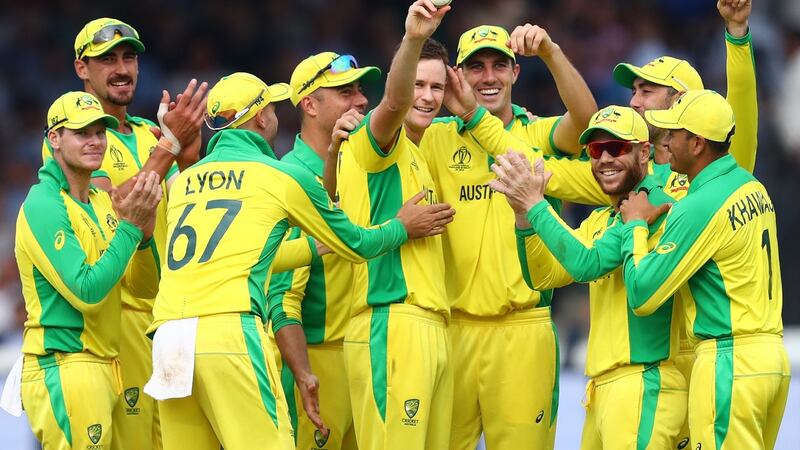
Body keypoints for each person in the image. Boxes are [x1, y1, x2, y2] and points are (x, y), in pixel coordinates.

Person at [145, 71, 454, 450]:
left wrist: (311, 248)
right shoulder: (281, 175)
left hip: (169, 336)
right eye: (272, 107)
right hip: (230, 329)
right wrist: (401, 227)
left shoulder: (182, 182)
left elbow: (238, 257)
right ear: (261, 118)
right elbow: (357, 244)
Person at [423, 22, 599, 449]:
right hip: (453, 327)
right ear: (457, 76)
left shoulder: (539, 134)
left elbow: (588, 120)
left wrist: (552, 52)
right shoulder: (434, 137)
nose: (488, 77)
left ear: (516, 73)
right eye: (476, 66)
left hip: (524, 329)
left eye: (499, 65)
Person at [45, 17, 209, 450]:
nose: (121, 69)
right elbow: (116, 210)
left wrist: (188, 157)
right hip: (127, 320)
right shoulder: (78, 142)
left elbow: (191, 212)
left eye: (129, 57)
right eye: (107, 60)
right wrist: (170, 148)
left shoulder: (148, 133)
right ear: (81, 68)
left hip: (174, 317)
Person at [488, 107, 686, 449]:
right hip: (604, 387)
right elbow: (545, 275)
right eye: (596, 151)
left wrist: (537, 205)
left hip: (643, 381)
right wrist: (523, 217)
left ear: (644, 152)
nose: (605, 159)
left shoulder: (654, 204)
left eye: (617, 148)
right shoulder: (603, 218)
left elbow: (586, 264)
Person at [612, 2, 757, 443]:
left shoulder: (719, 172)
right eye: (633, 90)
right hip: (657, 369)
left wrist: (736, 35)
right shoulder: (631, 171)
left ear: (682, 104)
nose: (633, 100)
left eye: (646, 90)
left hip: (707, 356)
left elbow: (743, 113)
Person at [621, 90, 790, 450]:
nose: (666, 140)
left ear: (697, 143)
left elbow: (642, 295)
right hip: (772, 358)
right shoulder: (752, 186)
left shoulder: (698, 205)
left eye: (674, 134)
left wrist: (635, 226)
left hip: (729, 362)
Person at [331, 1, 454, 448]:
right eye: (419, 83)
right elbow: (395, 102)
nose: (426, 95)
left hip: (433, 326)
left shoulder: (421, 151)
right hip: (391, 321)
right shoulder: (374, 139)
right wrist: (414, 38)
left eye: (437, 87)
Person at [16, 91, 162, 449]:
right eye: (82, 133)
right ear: (55, 139)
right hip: (65, 365)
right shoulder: (43, 203)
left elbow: (144, 286)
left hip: (109, 364)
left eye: (100, 132)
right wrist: (130, 229)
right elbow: (87, 290)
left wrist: (144, 238)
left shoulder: (102, 200)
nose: (95, 141)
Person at [266, 51, 380, 450]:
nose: (361, 100)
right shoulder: (288, 178)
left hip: (371, 354)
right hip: (320, 360)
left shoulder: (364, 163)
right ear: (310, 105)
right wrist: (303, 373)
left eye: (360, 89)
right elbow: (281, 297)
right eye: (345, 92)